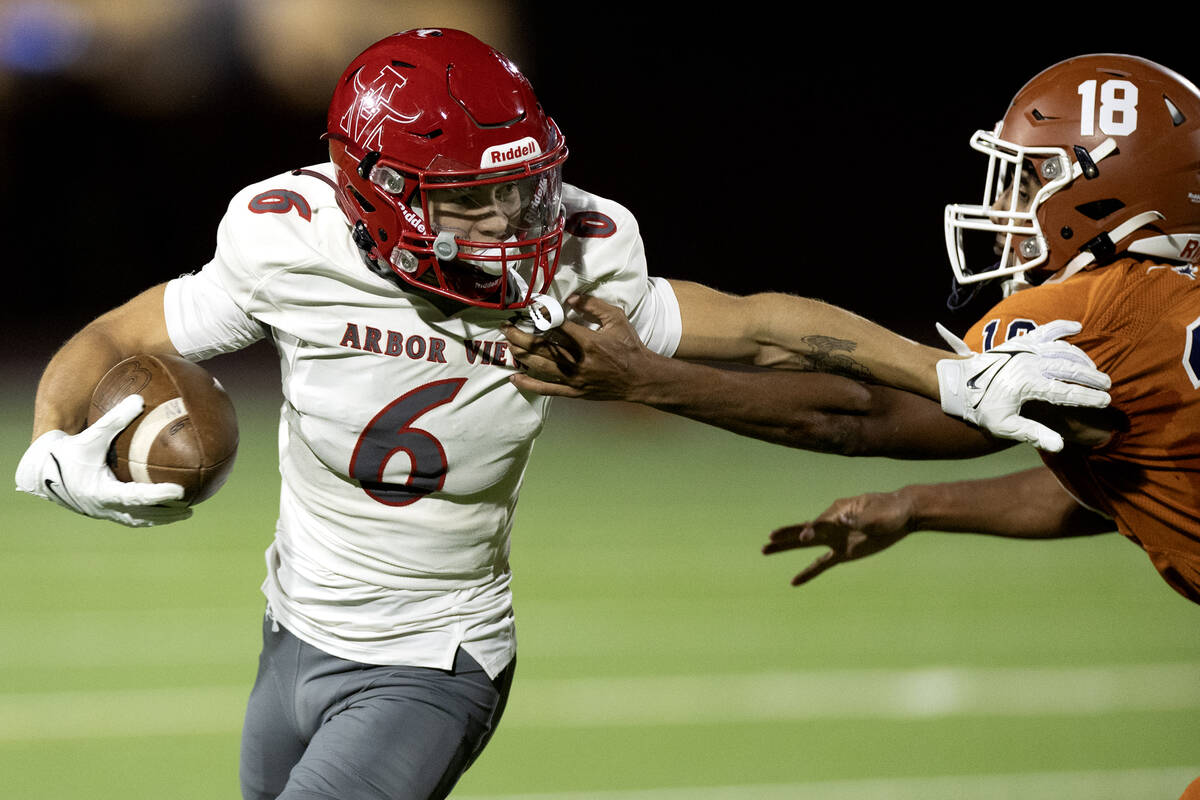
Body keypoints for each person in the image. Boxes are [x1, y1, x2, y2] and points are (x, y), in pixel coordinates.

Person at [12, 29, 1111, 800]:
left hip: (430, 659)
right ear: (377, 191)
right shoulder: (281, 235)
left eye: (522, 185)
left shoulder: (582, 252)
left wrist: (948, 374)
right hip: (289, 631)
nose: (513, 218)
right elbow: (116, 336)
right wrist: (55, 442)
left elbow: (765, 324)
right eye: (469, 198)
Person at [506, 53, 1200, 606]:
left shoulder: (1098, 312)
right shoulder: (1167, 306)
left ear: (1110, 193)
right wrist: (917, 507)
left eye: (1026, 182)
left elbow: (862, 415)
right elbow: (1123, 485)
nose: (1003, 206)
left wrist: (650, 381)